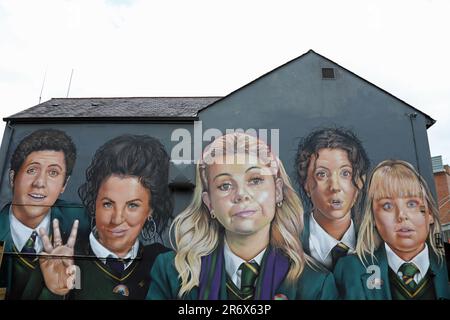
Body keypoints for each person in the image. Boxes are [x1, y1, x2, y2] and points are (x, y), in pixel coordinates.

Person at [148, 132, 337, 300]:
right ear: (209, 203)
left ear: (277, 191)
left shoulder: (315, 283)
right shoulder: (172, 272)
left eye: (255, 180)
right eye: (225, 185)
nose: (241, 194)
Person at [40, 134, 172, 299]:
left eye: (132, 205)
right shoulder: (62, 260)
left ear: (150, 209)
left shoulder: (163, 262)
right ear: (94, 202)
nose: (117, 219)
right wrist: (55, 291)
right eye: (108, 204)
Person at [334, 160, 450, 300]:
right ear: (373, 218)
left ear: (430, 213)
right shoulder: (350, 270)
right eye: (387, 206)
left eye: (412, 203)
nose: (401, 215)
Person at [0, 129, 89, 300]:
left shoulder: (83, 224)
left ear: (64, 184)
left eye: (53, 173)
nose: (40, 183)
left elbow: (84, 287)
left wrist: (60, 289)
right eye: (32, 170)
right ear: (13, 178)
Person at [295, 127, 369, 270]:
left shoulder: (377, 242)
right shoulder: (287, 243)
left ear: (360, 182)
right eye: (321, 174)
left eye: (345, 173)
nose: (334, 186)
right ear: (306, 185)